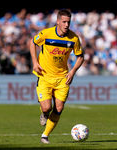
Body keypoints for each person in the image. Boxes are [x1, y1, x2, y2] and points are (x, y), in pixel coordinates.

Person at [30, 9, 84, 143]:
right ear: (58, 21)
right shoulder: (47, 33)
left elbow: (80, 57)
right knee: (47, 107)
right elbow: (32, 42)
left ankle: (45, 136)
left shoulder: (74, 38)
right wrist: (35, 62)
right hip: (45, 76)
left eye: (69, 22)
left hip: (63, 78)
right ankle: (44, 113)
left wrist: (72, 72)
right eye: (64, 22)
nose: (66, 25)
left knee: (59, 108)